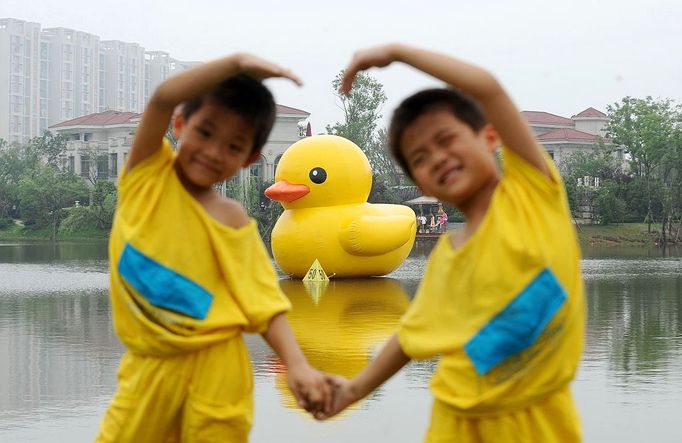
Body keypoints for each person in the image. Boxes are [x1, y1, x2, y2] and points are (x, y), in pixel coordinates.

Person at [320, 43, 585, 443]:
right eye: (421, 158)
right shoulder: (447, 257)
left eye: (447, 139)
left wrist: (399, 53)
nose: (438, 158)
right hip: (456, 421)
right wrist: (354, 389)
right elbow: (410, 337)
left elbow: (487, 88)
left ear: (490, 136)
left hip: (538, 419)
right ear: (419, 182)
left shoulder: (533, 196)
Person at [96, 53, 331, 442]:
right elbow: (161, 97)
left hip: (217, 372)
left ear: (250, 158)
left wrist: (298, 365)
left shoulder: (233, 219)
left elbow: (264, 304)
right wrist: (235, 64)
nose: (212, 151)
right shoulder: (146, 179)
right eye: (205, 133)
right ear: (180, 124)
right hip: (146, 371)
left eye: (233, 146)